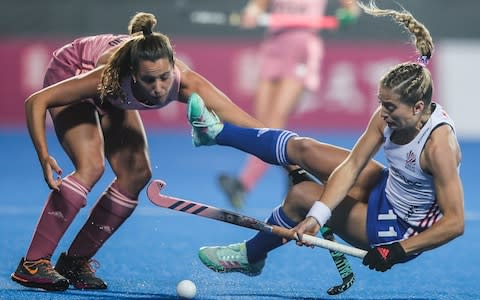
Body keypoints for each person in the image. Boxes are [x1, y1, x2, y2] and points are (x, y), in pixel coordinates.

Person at [187, 0, 464, 276]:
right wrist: (320, 216)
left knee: (300, 195)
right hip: (387, 187)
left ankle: (250, 256)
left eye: (390, 108)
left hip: (398, 228)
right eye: (382, 103)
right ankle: (215, 132)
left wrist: (399, 249)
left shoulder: (439, 147)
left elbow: (455, 222)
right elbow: (353, 166)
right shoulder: (389, 114)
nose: (383, 113)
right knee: (304, 148)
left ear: (418, 108)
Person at [10, 12, 265, 292]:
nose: (158, 89)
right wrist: (43, 155)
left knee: (136, 174)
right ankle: (32, 263)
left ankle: (74, 262)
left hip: (112, 94)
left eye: (164, 78)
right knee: (91, 166)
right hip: (73, 69)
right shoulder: (108, 76)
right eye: (149, 80)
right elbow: (37, 101)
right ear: (133, 74)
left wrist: (289, 159)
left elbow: (245, 122)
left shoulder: (187, 83)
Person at [218, 0, 360, 209]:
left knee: (273, 122)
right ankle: (295, 172)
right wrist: (252, 12)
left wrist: (347, 15)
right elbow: (259, 4)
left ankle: (244, 184)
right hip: (274, 45)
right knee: (259, 125)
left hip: (302, 47)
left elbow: (351, 8)